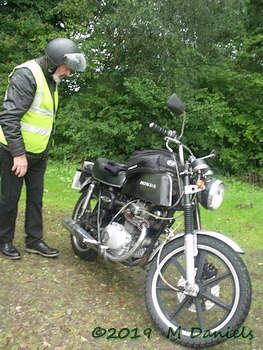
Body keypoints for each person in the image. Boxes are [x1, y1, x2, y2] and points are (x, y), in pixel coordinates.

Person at [0, 37, 86, 259]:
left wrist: (43, 149)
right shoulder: (26, 75)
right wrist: (18, 154)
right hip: (14, 151)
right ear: (56, 61)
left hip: (39, 152)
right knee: (10, 197)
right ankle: (4, 240)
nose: (68, 73)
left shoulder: (51, 78)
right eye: (67, 68)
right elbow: (9, 117)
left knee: (35, 198)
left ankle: (34, 240)